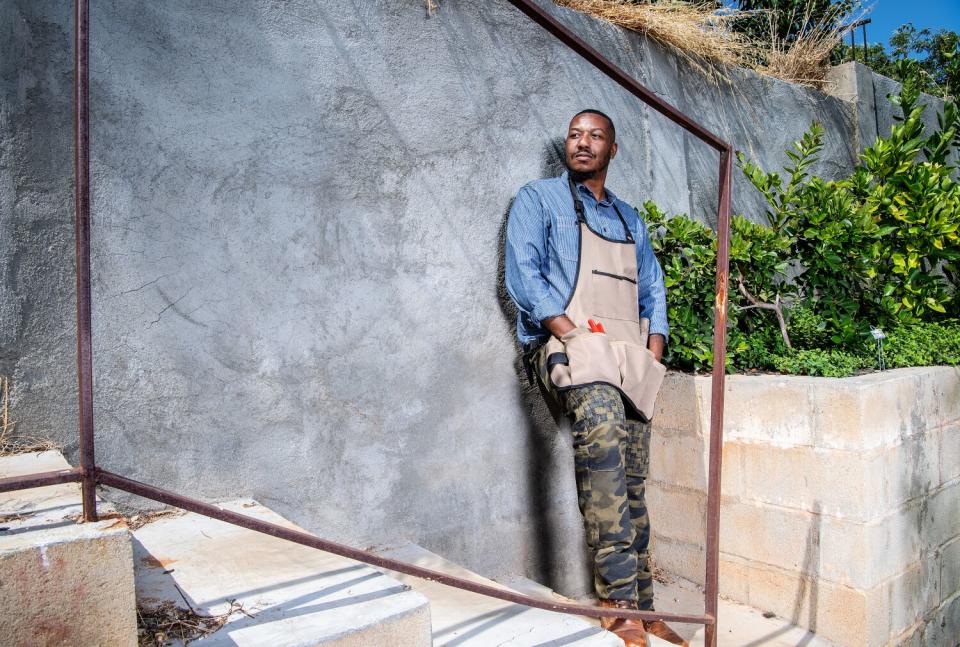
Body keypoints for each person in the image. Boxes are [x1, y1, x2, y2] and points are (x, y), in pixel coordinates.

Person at [504, 110, 686, 647]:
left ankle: (646, 606)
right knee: (603, 425)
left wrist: (652, 352)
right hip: (568, 347)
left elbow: (652, 291)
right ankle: (619, 604)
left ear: (613, 149)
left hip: (629, 356)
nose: (582, 143)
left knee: (632, 474)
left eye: (595, 136)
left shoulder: (632, 219)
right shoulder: (539, 199)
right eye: (575, 135)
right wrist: (568, 332)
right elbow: (524, 271)